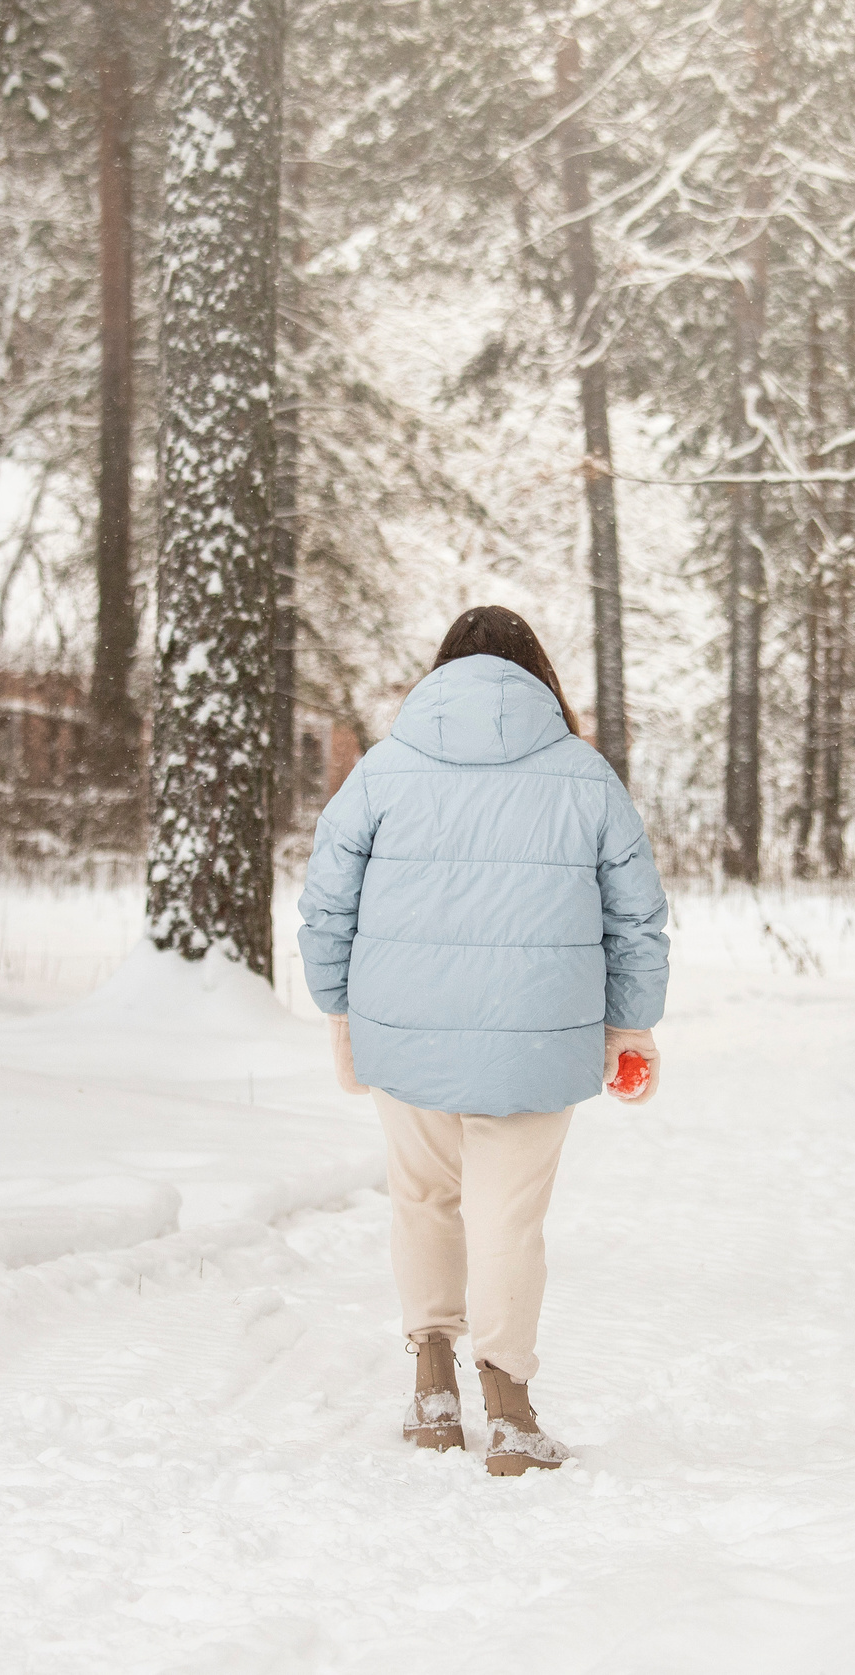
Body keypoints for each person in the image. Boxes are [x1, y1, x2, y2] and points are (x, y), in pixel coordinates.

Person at [297, 605, 669, 1476]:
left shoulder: (384, 770)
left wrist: (336, 1005)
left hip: (404, 1027)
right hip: (538, 1035)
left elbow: (326, 901)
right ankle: (508, 1408)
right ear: (537, 671)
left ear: (441, 671)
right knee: (508, 1218)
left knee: (423, 1198)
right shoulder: (584, 774)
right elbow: (638, 918)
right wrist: (633, 1022)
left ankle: (431, 1389)